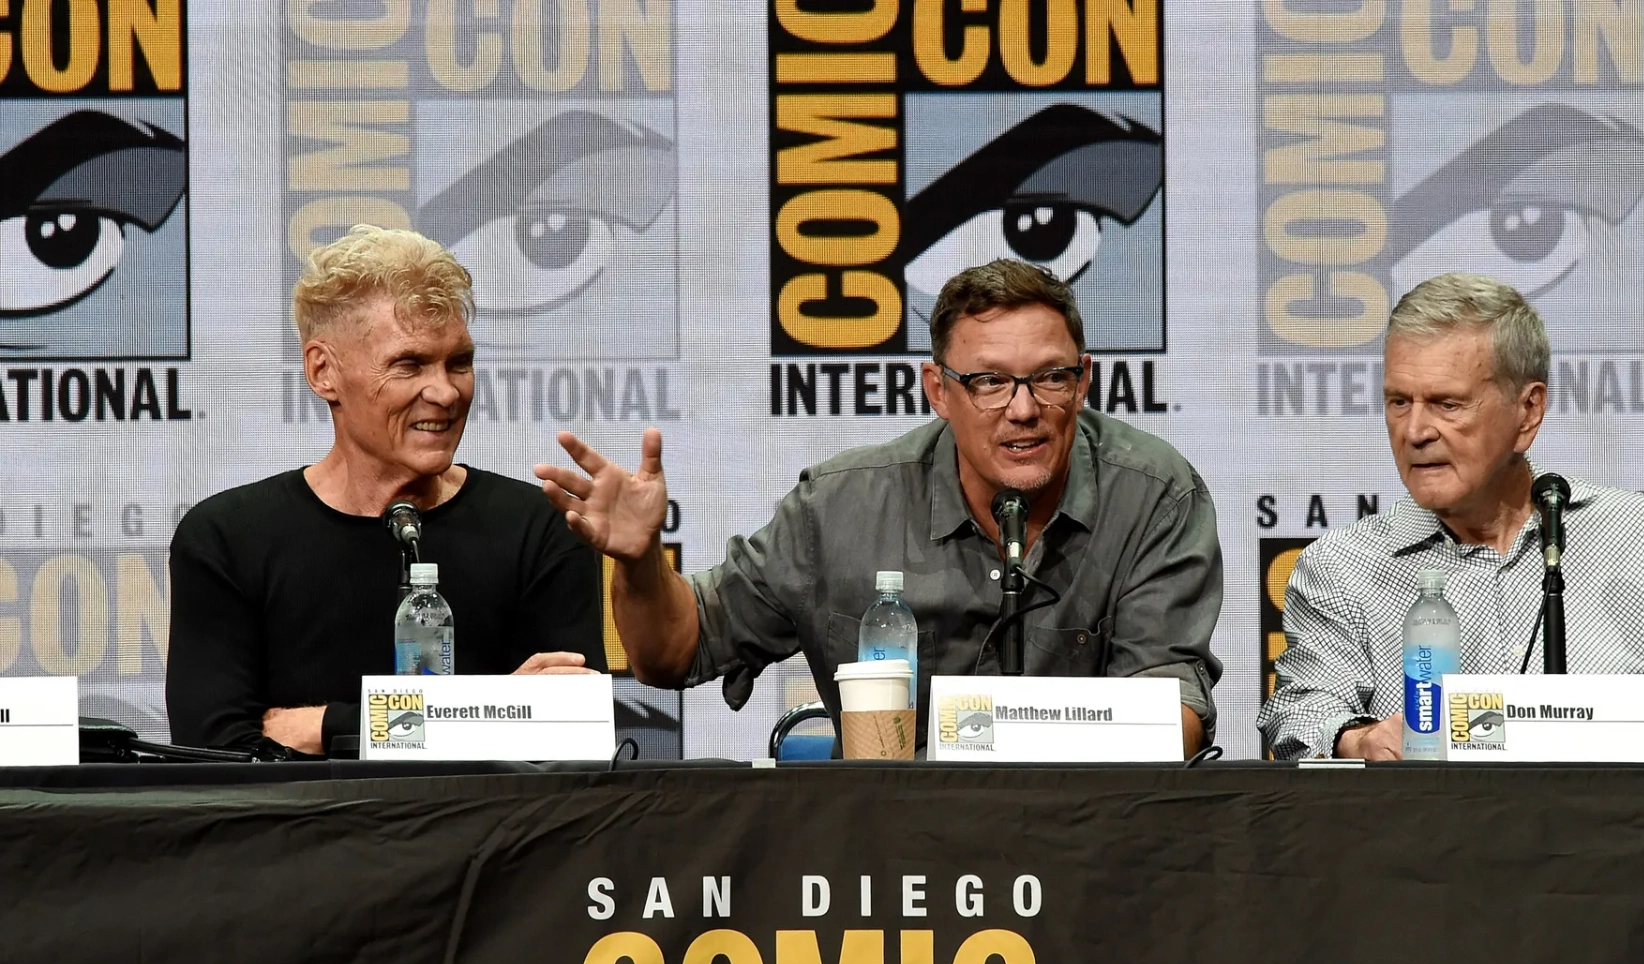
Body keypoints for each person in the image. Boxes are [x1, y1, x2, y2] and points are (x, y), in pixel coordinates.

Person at [536, 259, 1223, 754]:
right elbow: (674, 653)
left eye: (1050, 378)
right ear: (937, 388)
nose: (1024, 410)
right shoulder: (841, 507)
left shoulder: (1155, 494)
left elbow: (1177, 718)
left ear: (1084, 381)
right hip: (888, 858)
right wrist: (639, 564)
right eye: (988, 382)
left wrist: (979, 732)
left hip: (1092, 844)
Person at [1257, 272, 1644, 762]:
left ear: (1528, 410)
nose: (1415, 431)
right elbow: (1294, 717)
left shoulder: (1641, 538)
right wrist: (1355, 739)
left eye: (1447, 403)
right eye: (1398, 401)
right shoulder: (1342, 568)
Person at [167, 225, 604, 753]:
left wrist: (324, 727)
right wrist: (492, 711)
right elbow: (212, 751)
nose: (445, 391)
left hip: (489, 836)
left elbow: (569, 735)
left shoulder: (542, 527)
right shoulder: (226, 539)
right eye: (409, 364)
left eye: (459, 362)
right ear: (324, 372)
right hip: (302, 834)